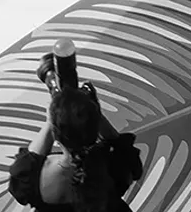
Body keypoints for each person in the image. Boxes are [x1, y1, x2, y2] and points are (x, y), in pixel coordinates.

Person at [8, 83, 143, 212]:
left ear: (56, 136)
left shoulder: (32, 177)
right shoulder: (113, 164)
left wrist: (51, 122)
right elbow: (124, 150)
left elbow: (27, 162)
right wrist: (95, 112)